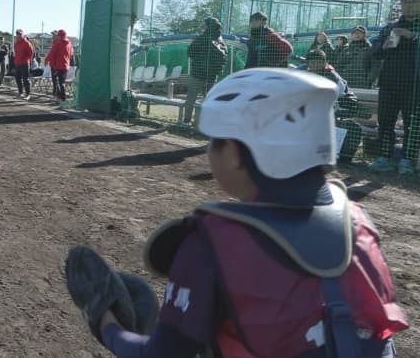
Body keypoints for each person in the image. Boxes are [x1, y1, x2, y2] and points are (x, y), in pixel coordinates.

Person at [93, 68, 408, 357]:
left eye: (214, 143)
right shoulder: (360, 223)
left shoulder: (211, 243)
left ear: (232, 153)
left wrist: (108, 326)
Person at [368, 0, 420, 175]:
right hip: (389, 82)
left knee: (412, 124)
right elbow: (374, 51)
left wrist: (412, 36)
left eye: (413, 1)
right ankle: (384, 157)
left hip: (415, 86)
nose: (408, 5)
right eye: (405, 2)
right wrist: (383, 46)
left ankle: (408, 160)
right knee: (385, 122)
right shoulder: (391, 27)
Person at [305, 49, 366, 163]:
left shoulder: (333, 77)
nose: (315, 65)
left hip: (337, 112)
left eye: (319, 62)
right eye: (312, 62)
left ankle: (334, 155)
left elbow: (339, 99)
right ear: (308, 64)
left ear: (326, 62)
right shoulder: (305, 75)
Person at [183, 17, 227, 125]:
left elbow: (190, 52)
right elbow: (224, 57)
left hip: (197, 73)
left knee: (191, 98)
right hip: (211, 75)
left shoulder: (201, 38)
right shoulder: (220, 40)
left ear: (207, 26)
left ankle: (186, 121)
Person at [45, 29, 74, 103]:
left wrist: (46, 60)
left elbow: (52, 53)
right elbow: (71, 54)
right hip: (65, 66)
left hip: (57, 66)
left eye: (56, 35)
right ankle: (60, 98)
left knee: (58, 82)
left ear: (58, 36)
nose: (54, 36)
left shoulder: (58, 43)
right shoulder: (69, 43)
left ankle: (62, 98)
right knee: (61, 82)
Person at [13, 29, 34, 100]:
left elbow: (31, 53)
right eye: (17, 34)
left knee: (25, 79)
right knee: (17, 79)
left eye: (20, 34)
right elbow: (16, 53)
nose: (18, 35)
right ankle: (20, 93)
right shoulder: (16, 43)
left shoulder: (26, 43)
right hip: (17, 64)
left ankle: (28, 94)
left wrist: (26, 59)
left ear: (22, 35)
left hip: (24, 64)